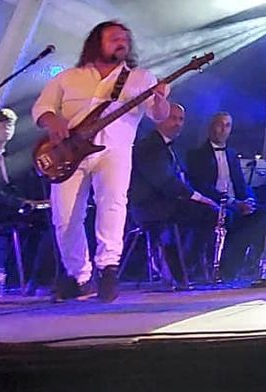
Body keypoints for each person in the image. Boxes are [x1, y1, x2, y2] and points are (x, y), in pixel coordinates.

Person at [33, 21, 171, 302]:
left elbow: (159, 115)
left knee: (113, 204)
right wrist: (53, 122)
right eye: (114, 38)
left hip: (115, 152)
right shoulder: (69, 77)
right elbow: (42, 107)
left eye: (125, 38)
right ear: (96, 43)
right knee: (65, 216)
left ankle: (108, 267)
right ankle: (80, 276)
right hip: (69, 152)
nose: (122, 42)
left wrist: (160, 100)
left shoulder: (141, 78)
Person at [130, 103, 215, 291]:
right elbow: (165, 182)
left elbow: (179, 180)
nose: (177, 123)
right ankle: (184, 267)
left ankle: (184, 266)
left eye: (181, 119)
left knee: (212, 212)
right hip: (151, 206)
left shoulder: (170, 147)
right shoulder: (150, 146)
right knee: (208, 213)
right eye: (173, 118)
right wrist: (197, 197)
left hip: (167, 202)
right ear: (159, 119)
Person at [185, 111, 266, 284]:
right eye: (220, 124)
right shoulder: (196, 154)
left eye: (227, 125)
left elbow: (241, 183)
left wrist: (248, 200)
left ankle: (236, 266)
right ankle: (221, 268)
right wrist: (232, 202)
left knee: (265, 214)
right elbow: (202, 186)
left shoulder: (232, 154)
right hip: (213, 204)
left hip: (236, 203)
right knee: (228, 216)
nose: (223, 129)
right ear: (211, 127)